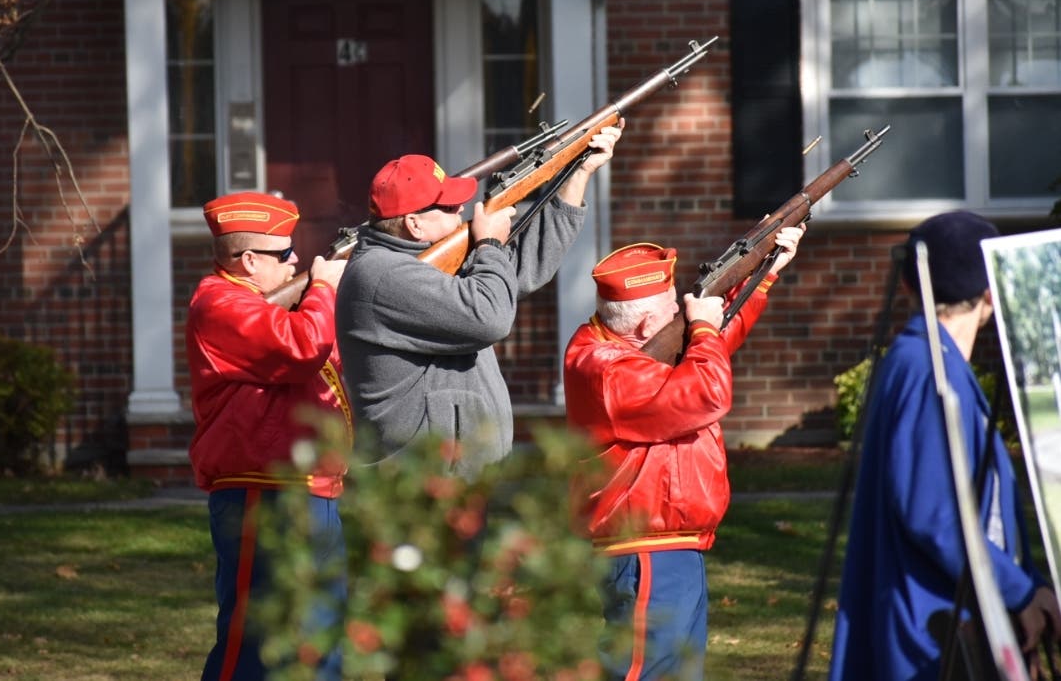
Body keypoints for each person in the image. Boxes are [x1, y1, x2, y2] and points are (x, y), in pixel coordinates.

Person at [563, 227, 805, 681]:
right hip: (645, 551)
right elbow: (707, 390)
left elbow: (707, 351)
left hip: (669, 545)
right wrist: (704, 327)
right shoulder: (608, 370)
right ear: (643, 325)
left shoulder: (627, 348)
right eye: (671, 308)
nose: (682, 311)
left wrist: (762, 274)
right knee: (643, 672)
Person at [829, 211, 1061, 681]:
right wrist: (1018, 592)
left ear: (911, 288)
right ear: (990, 293)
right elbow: (935, 516)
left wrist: (1029, 588)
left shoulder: (932, 361)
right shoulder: (927, 369)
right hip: (929, 631)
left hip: (950, 617)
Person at [336, 123, 622, 479]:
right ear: (414, 224)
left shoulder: (417, 263)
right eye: (448, 207)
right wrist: (489, 245)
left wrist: (578, 174)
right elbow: (489, 317)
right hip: (422, 485)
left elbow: (520, 269)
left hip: (455, 477)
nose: (461, 209)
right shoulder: (383, 275)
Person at [186, 191, 352, 681]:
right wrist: (324, 288)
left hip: (308, 484)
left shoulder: (261, 303)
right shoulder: (219, 304)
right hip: (262, 487)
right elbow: (303, 347)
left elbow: (324, 357)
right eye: (285, 253)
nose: (296, 260)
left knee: (321, 635)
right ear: (250, 260)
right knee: (252, 643)